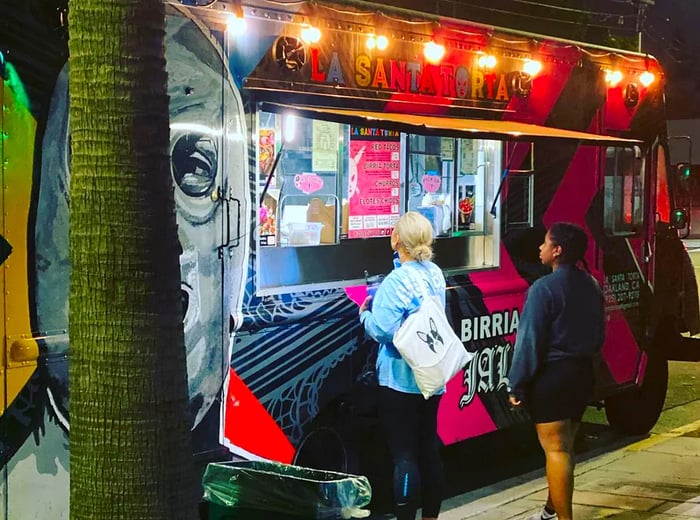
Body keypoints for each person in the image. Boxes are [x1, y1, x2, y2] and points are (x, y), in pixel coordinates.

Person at [507, 222, 605, 520]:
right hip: (582, 375)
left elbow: (530, 341)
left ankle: (563, 518)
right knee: (565, 448)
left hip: (553, 378)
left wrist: (517, 384)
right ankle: (551, 510)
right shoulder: (591, 284)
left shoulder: (543, 289)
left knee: (556, 451)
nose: (540, 248)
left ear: (557, 250)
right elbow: (599, 333)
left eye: (545, 243)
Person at [358, 211, 446, 520]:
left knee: (404, 455)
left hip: (400, 380)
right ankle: (431, 516)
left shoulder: (396, 281)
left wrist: (364, 313)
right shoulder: (435, 273)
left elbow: (382, 330)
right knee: (428, 448)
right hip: (432, 376)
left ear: (397, 240)